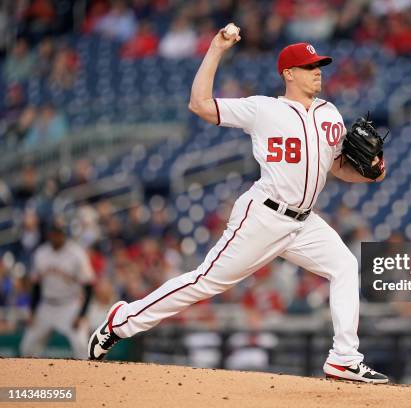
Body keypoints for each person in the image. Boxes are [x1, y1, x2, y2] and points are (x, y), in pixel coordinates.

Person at [89, 23, 389, 384]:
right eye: (310, 67)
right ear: (288, 74)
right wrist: (216, 48)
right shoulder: (262, 109)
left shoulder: (330, 114)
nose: (318, 73)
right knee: (205, 282)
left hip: (304, 221)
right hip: (264, 215)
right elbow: (199, 105)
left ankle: (343, 358)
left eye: (320, 66)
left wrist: (373, 173)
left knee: (343, 264)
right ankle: (121, 320)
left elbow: (339, 168)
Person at [20, 218, 95, 359]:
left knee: (82, 347)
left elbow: (89, 286)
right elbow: (36, 286)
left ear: (65, 234)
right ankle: (29, 379)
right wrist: (32, 310)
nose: (56, 236)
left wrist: (82, 314)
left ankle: (87, 379)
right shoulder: (41, 254)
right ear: (49, 234)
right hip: (46, 306)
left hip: (70, 305)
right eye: (54, 233)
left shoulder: (77, 254)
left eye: (59, 233)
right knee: (27, 346)